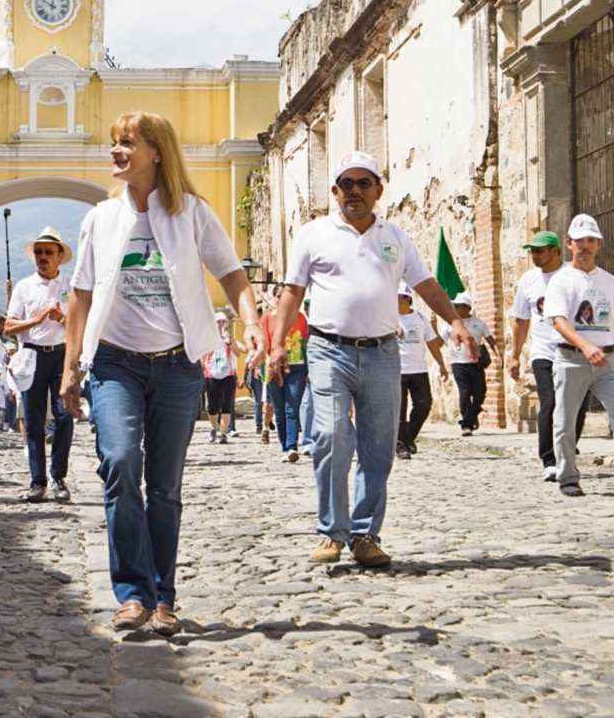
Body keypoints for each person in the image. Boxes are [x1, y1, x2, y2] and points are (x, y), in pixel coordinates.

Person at [60, 111, 264, 636]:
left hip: (177, 367)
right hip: (113, 364)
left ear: (155, 151)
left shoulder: (191, 213)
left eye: (126, 142)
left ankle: (163, 597)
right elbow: (80, 295)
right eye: (114, 142)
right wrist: (70, 367)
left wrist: (254, 323)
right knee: (121, 464)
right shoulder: (99, 219)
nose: (116, 151)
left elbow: (232, 274)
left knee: (165, 487)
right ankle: (132, 593)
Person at [268, 152, 476, 568]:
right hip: (328, 349)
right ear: (335, 191)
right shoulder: (313, 235)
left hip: (383, 352)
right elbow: (291, 293)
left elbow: (426, 284)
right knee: (329, 436)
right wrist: (277, 343)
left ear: (379, 190)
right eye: (346, 184)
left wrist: (454, 320)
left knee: (378, 447)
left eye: (364, 183)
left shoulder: (395, 237)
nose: (355, 191)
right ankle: (331, 531)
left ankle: (365, 534)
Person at [544, 214, 614, 498]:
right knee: (565, 420)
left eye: (591, 240)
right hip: (571, 359)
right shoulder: (561, 281)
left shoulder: (610, 282)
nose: (585, 245)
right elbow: (558, 320)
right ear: (569, 244)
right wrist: (584, 346)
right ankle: (567, 475)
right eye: (580, 240)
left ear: (598, 245)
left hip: (608, 360)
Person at [4, 227, 75, 504]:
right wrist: (34, 321)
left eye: (48, 252)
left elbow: (78, 327)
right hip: (32, 355)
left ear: (59, 256)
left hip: (60, 356)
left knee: (65, 416)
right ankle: (37, 481)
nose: (42, 257)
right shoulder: (24, 286)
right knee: (33, 421)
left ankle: (59, 476)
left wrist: (59, 318)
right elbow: (9, 326)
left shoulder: (71, 285)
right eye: (38, 252)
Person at [509, 230, 587, 481]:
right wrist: (514, 355)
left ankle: (567, 450)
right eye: (531, 250)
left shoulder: (573, 276)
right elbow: (520, 320)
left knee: (577, 406)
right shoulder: (528, 280)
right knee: (550, 401)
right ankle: (550, 459)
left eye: (539, 250)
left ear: (555, 251)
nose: (534, 255)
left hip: (573, 350)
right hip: (543, 352)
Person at [396, 282, 448, 460]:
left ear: (405, 298)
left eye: (396, 296)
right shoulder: (388, 318)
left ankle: (408, 436)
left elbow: (432, 343)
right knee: (399, 410)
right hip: (397, 370)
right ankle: (401, 446)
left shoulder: (420, 318)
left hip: (418, 369)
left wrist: (441, 364)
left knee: (424, 404)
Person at [440, 292, 500, 437]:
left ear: (466, 307)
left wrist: (498, 353)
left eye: (457, 306)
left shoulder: (479, 322)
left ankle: (473, 414)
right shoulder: (449, 324)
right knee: (465, 392)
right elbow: (439, 341)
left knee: (479, 393)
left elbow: (490, 339)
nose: (454, 309)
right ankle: (466, 425)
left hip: (476, 363)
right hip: (458, 363)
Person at [261, 283, 309, 460]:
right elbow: (264, 344)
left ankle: (291, 447)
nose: (282, 299)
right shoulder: (266, 318)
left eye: (285, 295)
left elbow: (305, 344)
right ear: (274, 297)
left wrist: (309, 368)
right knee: (279, 411)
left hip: (296, 366)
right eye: (279, 296)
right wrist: (265, 365)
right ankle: (284, 446)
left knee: (292, 408)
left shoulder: (300, 317)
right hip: (274, 368)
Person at [202, 312, 237, 445]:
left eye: (223, 321)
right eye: (218, 321)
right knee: (212, 405)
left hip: (227, 374)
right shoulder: (208, 338)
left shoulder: (229, 338)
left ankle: (223, 434)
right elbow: (203, 356)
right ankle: (213, 428)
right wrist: (203, 366)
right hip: (212, 374)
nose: (221, 324)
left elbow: (238, 353)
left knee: (226, 405)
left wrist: (230, 341)